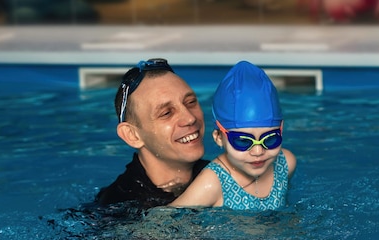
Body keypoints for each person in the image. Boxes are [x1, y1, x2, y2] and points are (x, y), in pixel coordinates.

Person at [170, 61, 296, 210]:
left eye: (270, 139)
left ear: (281, 130)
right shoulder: (212, 183)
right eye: (243, 141)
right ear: (218, 137)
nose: (258, 152)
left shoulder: (286, 164)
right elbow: (162, 219)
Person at [94, 58, 209, 209]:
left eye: (190, 102)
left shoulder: (220, 174)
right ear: (132, 135)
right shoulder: (119, 210)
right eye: (167, 113)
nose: (189, 118)